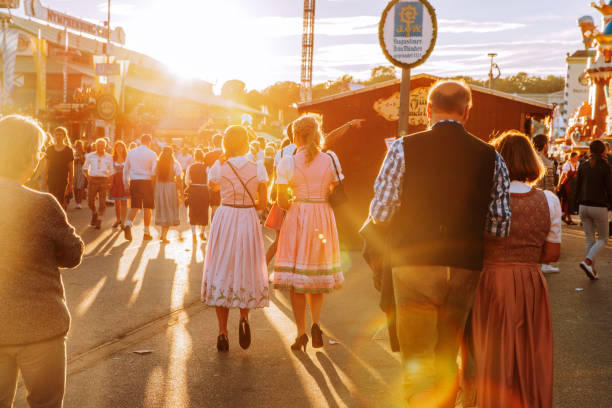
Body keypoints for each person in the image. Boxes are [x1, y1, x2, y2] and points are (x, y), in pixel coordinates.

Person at [368, 80, 511, 407]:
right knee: (447, 355)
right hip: (464, 265)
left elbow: (381, 212)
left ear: (429, 110)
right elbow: (499, 223)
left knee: (417, 357)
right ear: (467, 111)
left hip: (415, 261)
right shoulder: (491, 156)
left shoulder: (403, 148)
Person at [0, 115, 84, 408]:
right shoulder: (43, 204)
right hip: (42, 327)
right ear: (29, 158)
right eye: (37, 154)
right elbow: (73, 253)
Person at [472, 131, 560, 408]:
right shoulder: (549, 200)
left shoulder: (483, 198)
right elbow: (552, 254)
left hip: (490, 279)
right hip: (530, 282)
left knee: (491, 352)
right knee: (529, 350)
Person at [272, 114, 345, 351]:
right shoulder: (330, 159)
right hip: (323, 216)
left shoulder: (288, 161)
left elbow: (281, 199)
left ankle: (301, 331)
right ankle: (316, 323)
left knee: (297, 279)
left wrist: (295, 201)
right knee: (315, 275)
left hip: (299, 216)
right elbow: (336, 188)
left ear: (295, 136)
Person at [201, 125, 269, 352]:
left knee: (223, 268)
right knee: (246, 266)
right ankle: (244, 317)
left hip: (225, 215)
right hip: (247, 216)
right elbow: (262, 202)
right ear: (246, 143)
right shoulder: (258, 168)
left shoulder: (219, 167)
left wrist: (221, 162)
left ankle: (222, 331)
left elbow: (214, 186)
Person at [575, 140, 612, 279]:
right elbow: (609, 189)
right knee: (603, 238)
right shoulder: (605, 166)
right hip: (599, 206)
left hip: (583, 206)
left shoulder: (583, 165)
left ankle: (591, 269)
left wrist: (575, 204)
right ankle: (588, 262)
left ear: (590, 150)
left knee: (589, 238)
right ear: (604, 151)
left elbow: (577, 187)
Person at [533, 134, 560, 273]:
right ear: (544, 145)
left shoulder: (529, 159)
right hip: (542, 199)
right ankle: (545, 264)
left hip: (527, 197)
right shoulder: (548, 163)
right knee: (546, 231)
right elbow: (550, 186)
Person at [123, 134, 158, 241]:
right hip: (147, 181)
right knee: (147, 208)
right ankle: (146, 233)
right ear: (149, 142)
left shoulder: (131, 152)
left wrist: (126, 184)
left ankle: (128, 224)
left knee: (135, 206)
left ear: (141, 141)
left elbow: (125, 169)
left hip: (134, 181)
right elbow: (153, 171)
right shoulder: (152, 154)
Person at [82, 138, 114, 229]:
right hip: (93, 180)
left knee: (102, 202)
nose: (100, 147)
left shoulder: (109, 157)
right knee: (90, 201)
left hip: (104, 180)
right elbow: (84, 168)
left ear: (105, 146)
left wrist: (110, 183)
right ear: (95, 146)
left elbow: (111, 171)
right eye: (98, 145)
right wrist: (88, 177)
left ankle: (99, 220)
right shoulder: (90, 156)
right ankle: (94, 213)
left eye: (102, 145)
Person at [154, 146, 182, 243]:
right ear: (172, 153)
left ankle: (163, 234)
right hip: (170, 187)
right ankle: (164, 236)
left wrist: (153, 190)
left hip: (159, 187)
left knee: (162, 209)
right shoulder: (175, 164)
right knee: (169, 209)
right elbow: (179, 179)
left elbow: (153, 176)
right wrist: (181, 193)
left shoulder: (157, 164)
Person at [45, 127, 74, 209]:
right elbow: (47, 165)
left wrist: (70, 184)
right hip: (52, 178)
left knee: (63, 201)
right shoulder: (50, 149)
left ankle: (62, 219)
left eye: (60, 135)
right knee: (53, 200)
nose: (58, 136)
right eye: (56, 134)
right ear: (54, 136)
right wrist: (44, 179)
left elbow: (71, 168)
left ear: (64, 136)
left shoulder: (68, 150)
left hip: (63, 179)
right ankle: (54, 218)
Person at [185, 148, 209, 242]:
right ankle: (202, 233)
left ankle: (194, 233)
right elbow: (208, 182)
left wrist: (191, 183)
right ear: (202, 157)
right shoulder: (206, 167)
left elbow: (187, 181)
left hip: (193, 189)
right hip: (203, 190)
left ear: (195, 157)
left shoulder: (190, 167)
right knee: (204, 210)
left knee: (193, 210)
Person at [110, 141, 130, 228]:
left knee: (124, 202)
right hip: (115, 181)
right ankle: (118, 219)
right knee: (117, 202)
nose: (119, 148)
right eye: (117, 147)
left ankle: (123, 222)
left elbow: (130, 170)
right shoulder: (112, 158)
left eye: (121, 147)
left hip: (125, 180)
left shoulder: (127, 158)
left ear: (124, 148)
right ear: (115, 148)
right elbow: (110, 170)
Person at [204, 133, 224, 220]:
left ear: (213, 143)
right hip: (225, 184)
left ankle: (214, 228)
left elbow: (205, 171)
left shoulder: (208, 155)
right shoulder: (226, 155)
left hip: (212, 184)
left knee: (214, 208)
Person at [557, 152, 579, 225]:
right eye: (576, 157)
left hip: (574, 186)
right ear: (571, 157)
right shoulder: (567, 165)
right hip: (567, 185)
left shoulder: (576, 165)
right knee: (567, 200)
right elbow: (563, 175)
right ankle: (568, 218)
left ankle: (564, 216)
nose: (577, 158)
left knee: (571, 200)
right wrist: (559, 185)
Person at [73, 140, 87, 209]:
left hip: (81, 171)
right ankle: (76, 201)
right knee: (75, 187)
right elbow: (72, 162)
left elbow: (84, 162)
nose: (78, 147)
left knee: (80, 187)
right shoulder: (73, 153)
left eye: (80, 145)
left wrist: (80, 156)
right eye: (77, 145)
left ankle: (79, 202)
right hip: (74, 171)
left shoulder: (84, 154)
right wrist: (76, 158)